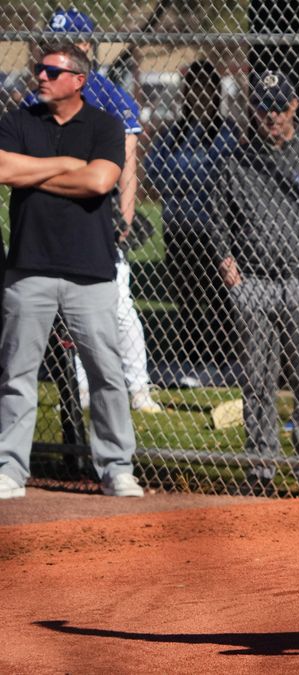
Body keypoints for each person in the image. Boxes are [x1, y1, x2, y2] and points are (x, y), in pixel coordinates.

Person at [0, 44, 144, 500]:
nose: (39, 77)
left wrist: (33, 173)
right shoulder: (20, 120)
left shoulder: (104, 124)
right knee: (16, 373)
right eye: (38, 70)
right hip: (28, 265)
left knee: (105, 372)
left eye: (50, 71)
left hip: (91, 268)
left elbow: (101, 181)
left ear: (78, 80)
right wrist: (65, 166)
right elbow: (2, 168)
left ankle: (117, 468)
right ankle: (8, 469)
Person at [210, 71, 299, 497]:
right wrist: (226, 262)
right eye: (263, 108)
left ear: (295, 106)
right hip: (255, 283)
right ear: (254, 111)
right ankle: (260, 468)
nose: (272, 116)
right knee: (256, 379)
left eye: (279, 107)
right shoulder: (236, 159)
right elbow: (217, 218)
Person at [26, 9, 161, 414]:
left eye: (69, 45)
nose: (60, 53)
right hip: (56, 218)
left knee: (118, 306)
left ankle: (138, 387)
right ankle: (83, 388)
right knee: (71, 313)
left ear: (87, 48)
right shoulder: (42, 96)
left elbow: (129, 160)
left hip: (100, 217)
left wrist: (126, 213)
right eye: (54, 45)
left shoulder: (109, 95)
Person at [144, 60, 240, 383]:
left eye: (205, 89)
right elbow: (154, 171)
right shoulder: (173, 133)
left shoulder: (226, 132)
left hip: (211, 229)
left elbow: (219, 173)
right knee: (186, 298)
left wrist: (182, 175)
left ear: (216, 93)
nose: (199, 95)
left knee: (215, 295)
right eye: (193, 89)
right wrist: (193, 175)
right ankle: (189, 357)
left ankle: (219, 360)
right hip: (178, 227)